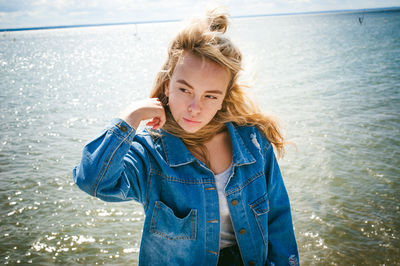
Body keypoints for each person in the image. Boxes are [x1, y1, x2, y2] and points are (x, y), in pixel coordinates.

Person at [73, 7, 299, 266]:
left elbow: (279, 222)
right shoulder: (150, 154)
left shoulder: (254, 144)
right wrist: (130, 117)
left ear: (223, 98)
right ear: (167, 85)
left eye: (210, 95)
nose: (195, 107)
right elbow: (92, 181)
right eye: (184, 89)